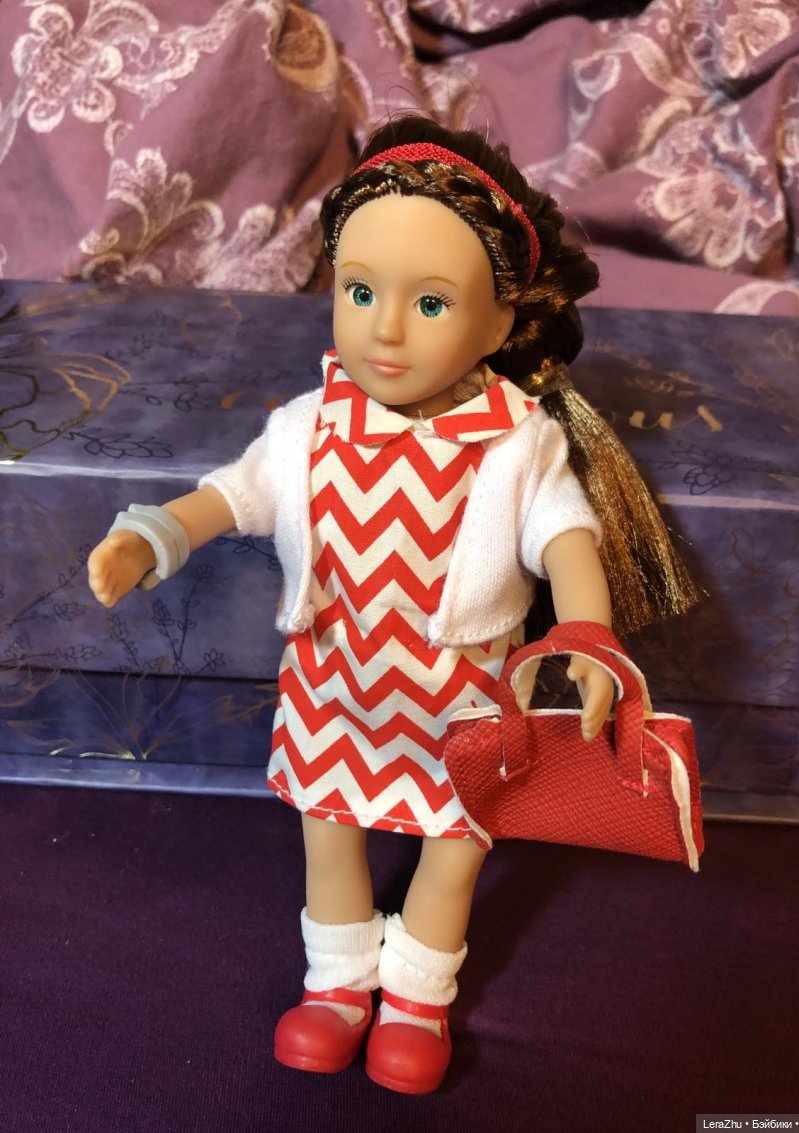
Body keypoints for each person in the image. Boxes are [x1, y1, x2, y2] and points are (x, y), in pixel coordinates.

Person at [88, 116, 695, 1094]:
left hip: (462, 698)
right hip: (335, 689)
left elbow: (566, 537)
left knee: (451, 852)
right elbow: (236, 492)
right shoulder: (307, 425)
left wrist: (586, 633)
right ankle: (337, 983)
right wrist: (155, 532)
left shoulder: (516, 441)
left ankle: (417, 994)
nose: (384, 328)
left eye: (432, 301)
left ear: (498, 323)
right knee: (329, 836)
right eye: (360, 290)